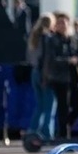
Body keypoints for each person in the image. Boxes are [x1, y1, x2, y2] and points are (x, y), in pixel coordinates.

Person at [42, 12, 78, 140]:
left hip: (75, 78)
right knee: (63, 107)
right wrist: (68, 60)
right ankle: (64, 136)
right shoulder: (52, 40)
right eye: (59, 23)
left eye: (64, 23)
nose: (62, 25)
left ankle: (64, 127)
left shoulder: (73, 39)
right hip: (60, 78)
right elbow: (51, 60)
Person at [26, 14, 56, 142]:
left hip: (34, 72)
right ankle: (46, 133)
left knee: (39, 105)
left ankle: (32, 131)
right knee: (50, 106)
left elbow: (30, 57)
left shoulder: (33, 37)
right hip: (45, 74)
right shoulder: (47, 38)